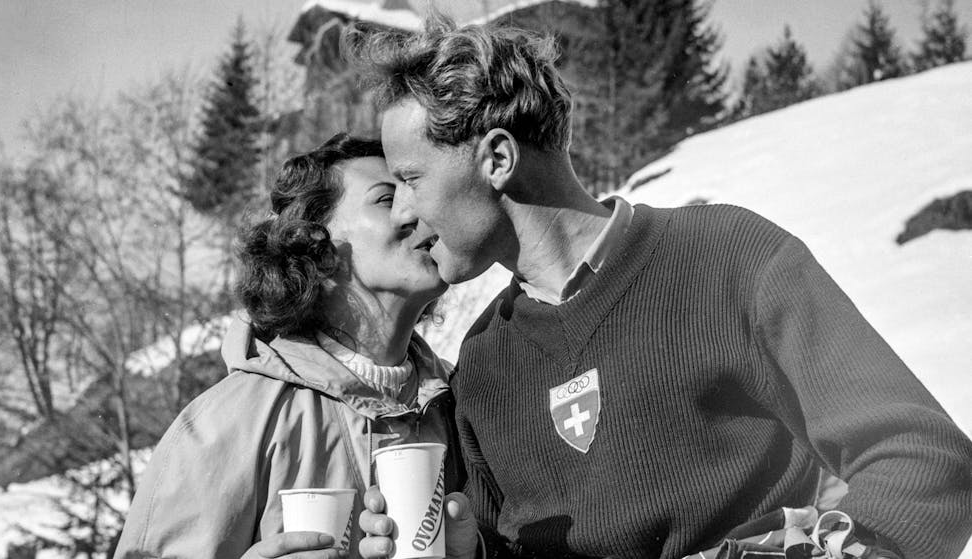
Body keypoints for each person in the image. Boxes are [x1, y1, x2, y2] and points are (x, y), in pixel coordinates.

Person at [348, 15, 972, 559]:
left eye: (410, 177)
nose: (402, 211)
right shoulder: (482, 365)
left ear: (497, 159)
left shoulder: (729, 257)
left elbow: (922, 460)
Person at [114, 133, 467, 559]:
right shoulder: (228, 423)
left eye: (416, 192)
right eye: (386, 198)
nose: (416, 212)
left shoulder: (465, 400)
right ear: (313, 245)